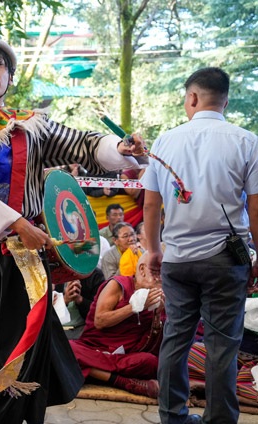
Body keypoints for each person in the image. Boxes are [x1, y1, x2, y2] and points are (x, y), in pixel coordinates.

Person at [0, 37, 147, 424]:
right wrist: (17, 223)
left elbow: (81, 144)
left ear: (10, 75)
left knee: (21, 354)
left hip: (22, 260)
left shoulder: (31, 125)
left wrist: (120, 147)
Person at [143, 67, 258, 424]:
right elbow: (255, 205)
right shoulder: (246, 140)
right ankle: (219, 420)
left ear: (192, 98)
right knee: (223, 345)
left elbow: (150, 204)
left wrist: (152, 250)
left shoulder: (165, 141)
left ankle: (173, 417)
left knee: (175, 339)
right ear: (225, 100)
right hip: (226, 260)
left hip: (177, 260)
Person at [69, 253, 164, 398]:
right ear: (142, 269)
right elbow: (100, 321)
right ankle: (120, 381)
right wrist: (134, 307)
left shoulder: (158, 298)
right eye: (157, 272)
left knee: (150, 362)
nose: (161, 278)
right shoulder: (118, 285)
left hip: (122, 358)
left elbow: (151, 347)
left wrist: (157, 317)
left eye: (165, 273)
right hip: (93, 349)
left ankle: (93, 372)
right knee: (66, 348)